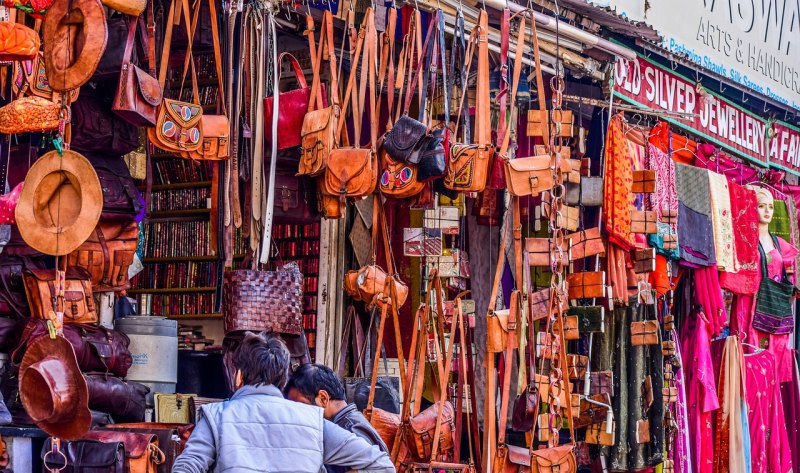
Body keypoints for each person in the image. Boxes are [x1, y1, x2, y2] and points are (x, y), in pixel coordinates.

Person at [172, 332, 395, 473]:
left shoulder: (216, 416)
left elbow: (187, 466)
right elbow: (380, 464)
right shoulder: (313, 422)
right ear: (282, 379)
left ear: (239, 375)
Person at [286, 364, 388, 454]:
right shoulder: (344, 423)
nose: (297, 413)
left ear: (323, 398)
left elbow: (377, 468)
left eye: (301, 405)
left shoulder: (350, 428)